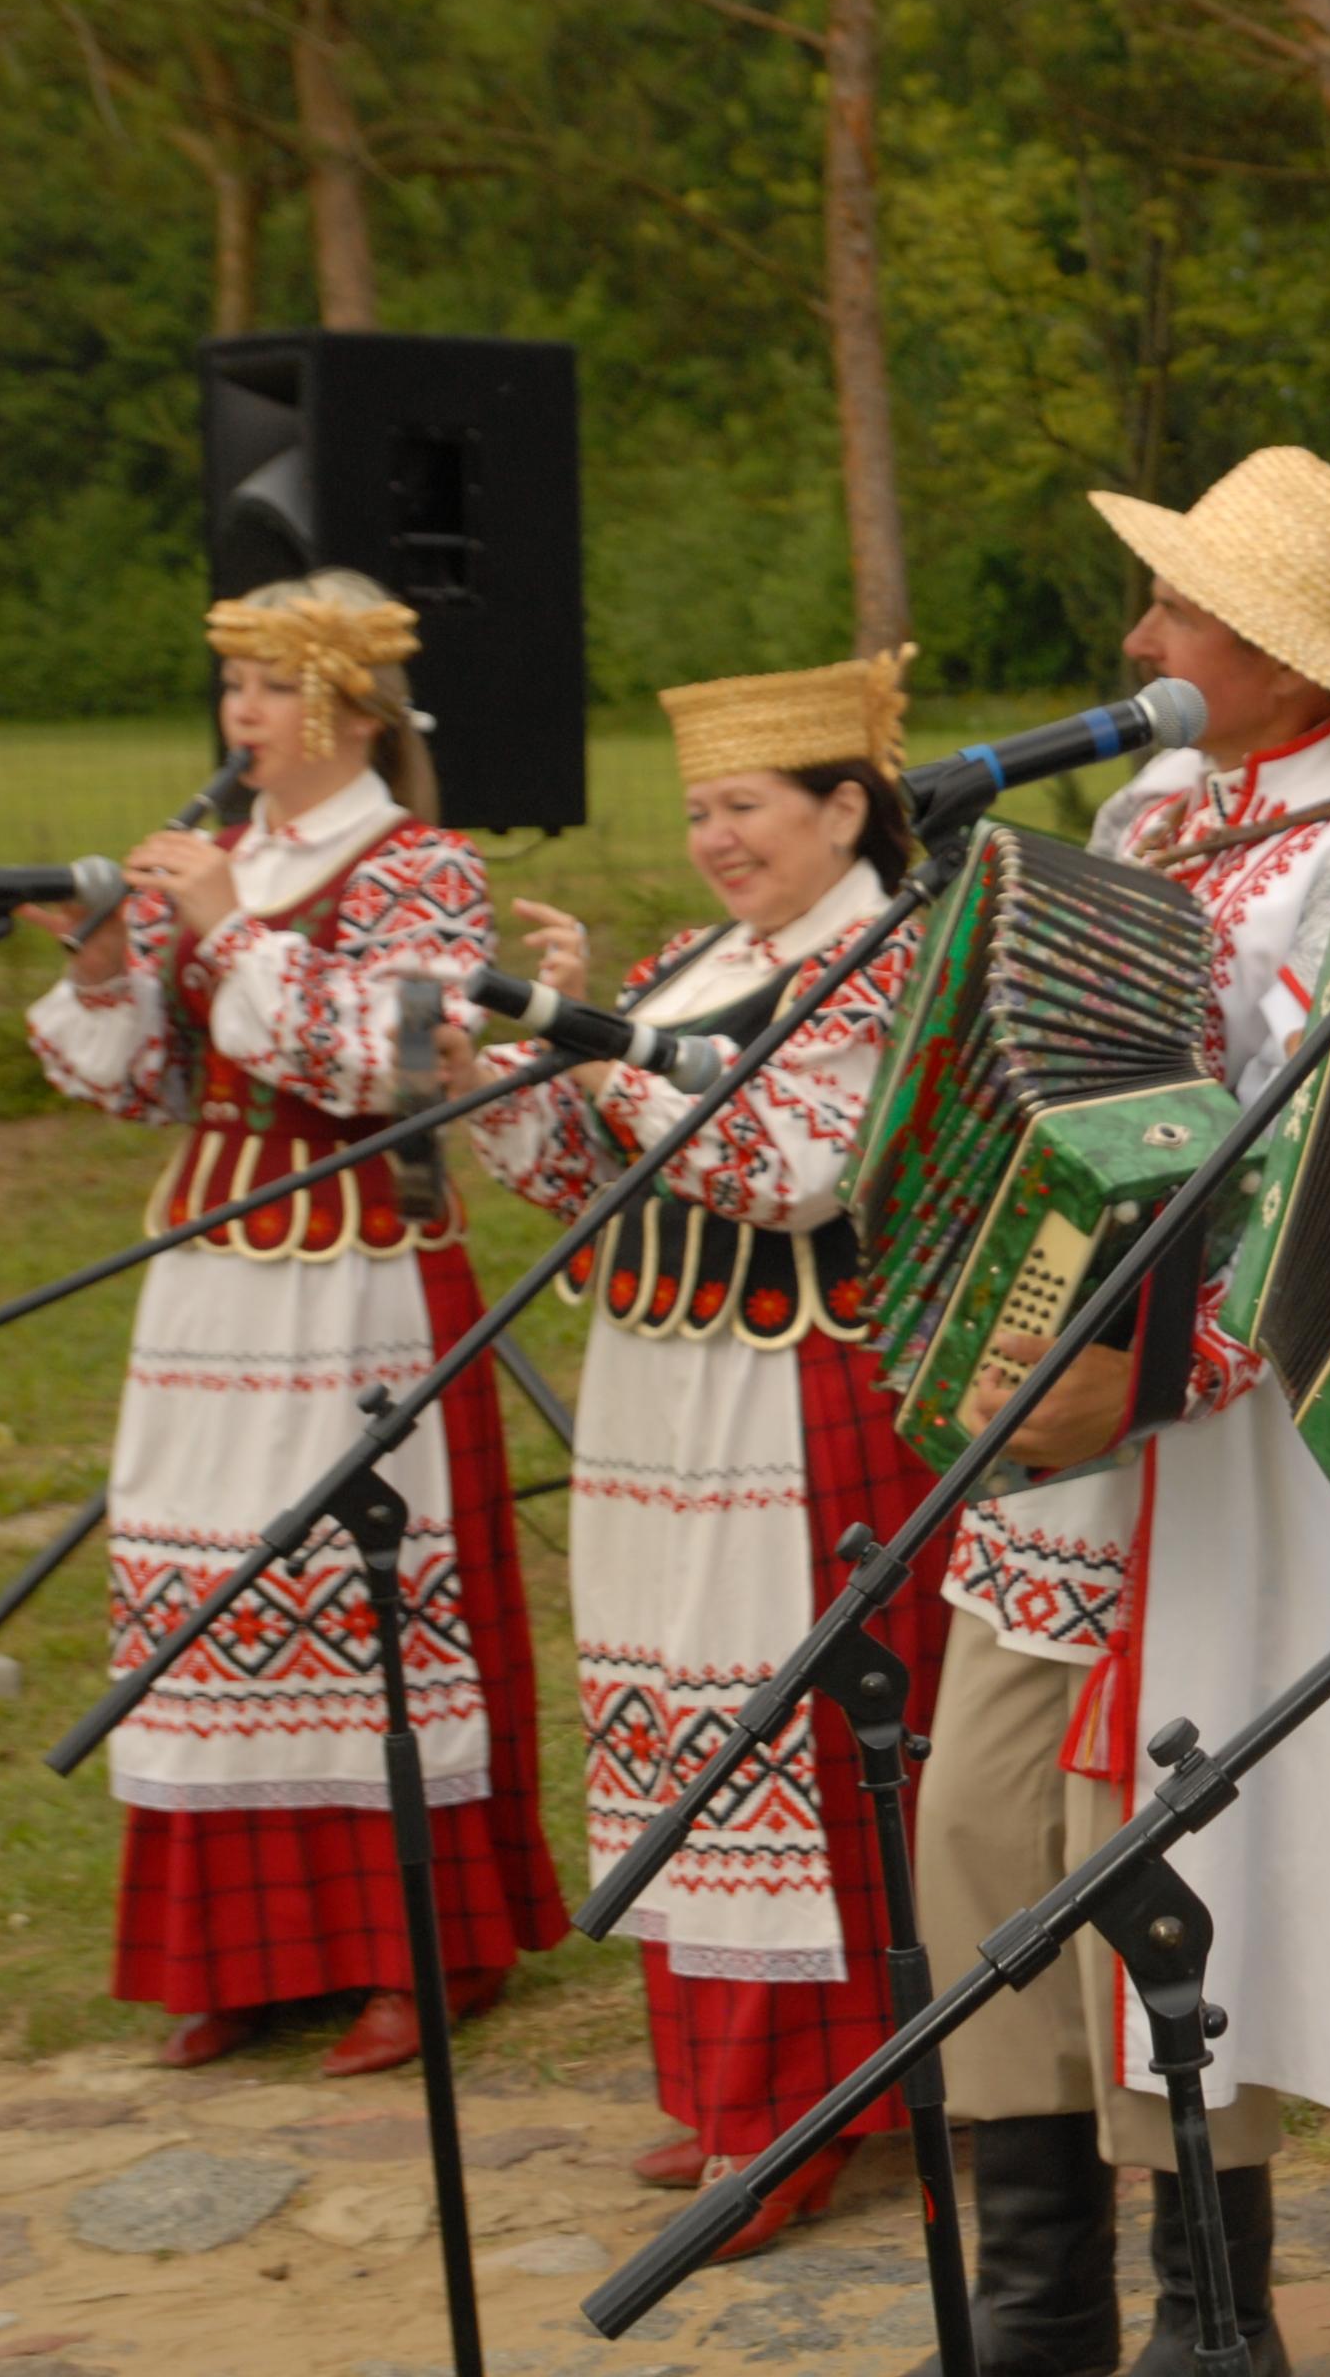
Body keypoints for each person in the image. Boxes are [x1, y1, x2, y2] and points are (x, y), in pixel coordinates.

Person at [927, 445, 1330, 2377]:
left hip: (1203, 1436)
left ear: (1279, 653)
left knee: (1156, 1863)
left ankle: (1207, 2315)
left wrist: (1146, 1369)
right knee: (977, 1830)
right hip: (1061, 1430)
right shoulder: (1160, 802)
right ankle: (1035, 2301)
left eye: (1178, 610)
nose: (1140, 637)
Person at [22, 570, 565, 2075]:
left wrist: (226, 926)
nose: (240, 719)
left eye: (267, 690)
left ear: (344, 709)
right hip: (211, 1267)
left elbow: (391, 1062)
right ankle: (241, 1953)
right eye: (234, 691)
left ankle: (424, 1953)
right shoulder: (221, 856)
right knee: (211, 1586)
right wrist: (105, 953)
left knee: (363, 1589)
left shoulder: (423, 865)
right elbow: (141, 1084)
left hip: (359, 1270)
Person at [450, 649, 941, 2252]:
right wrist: (505, 1078)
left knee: (784, 1745)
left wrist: (604, 1056)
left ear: (845, 805)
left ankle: (812, 2108)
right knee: (682, 1728)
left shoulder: (884, 956)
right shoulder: (692, 960)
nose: (715, 839)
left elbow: (788, 1166)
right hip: (665, 1392)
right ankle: (736, 2087)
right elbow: (580, 1174)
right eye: (699, 813)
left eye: (743, 807)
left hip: (799, 1405)